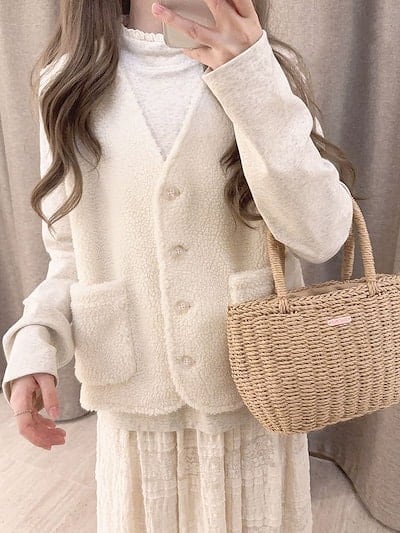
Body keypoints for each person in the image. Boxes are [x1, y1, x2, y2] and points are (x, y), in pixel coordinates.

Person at [2, 0, 357, 531]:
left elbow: (321, 236)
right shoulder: (67, 81)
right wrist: (37, 339)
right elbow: (71, 254)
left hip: (248, 391)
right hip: (136, 398)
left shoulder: (270, 67)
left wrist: (251, 74)